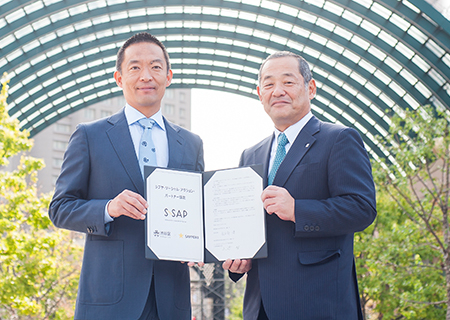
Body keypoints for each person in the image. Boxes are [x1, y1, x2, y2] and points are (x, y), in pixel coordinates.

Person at [49, 32, 204, 320]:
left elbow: (198, 215)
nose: (146, 75)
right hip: (109, 299)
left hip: (171, 299)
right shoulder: (90, 136)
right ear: (119, 78)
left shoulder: (191, 143)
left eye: (156, 67)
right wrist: (108, 208)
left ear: (168, 76)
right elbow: (60, 208)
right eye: (135, 67)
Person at [223, 51, 377, 319]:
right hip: (260, 306)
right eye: (269, 84)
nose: (278, 91)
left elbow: (362, 208)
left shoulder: (339, 139)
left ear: (311, 88)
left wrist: (297, 210)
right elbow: (244, 224)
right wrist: (237, 261)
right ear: (260, 94)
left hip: (318, 303)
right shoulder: (251, 154)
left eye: (288, 82)